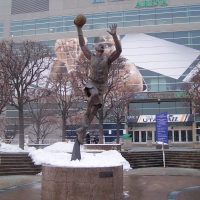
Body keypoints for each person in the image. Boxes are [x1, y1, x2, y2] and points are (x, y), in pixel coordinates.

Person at [75, 23, 122, 144]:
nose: (101, 45)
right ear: (95, 47)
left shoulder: (108, 60)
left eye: (102, 45)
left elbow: (119, 50)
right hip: (92, 83)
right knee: (94, 94)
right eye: (99, 44)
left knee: (95, 111)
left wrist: (115, 36)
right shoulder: (91, 56)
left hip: (101, 86)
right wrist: (79, 28)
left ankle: (82, 130)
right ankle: (86, 113)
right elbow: (82, 44)